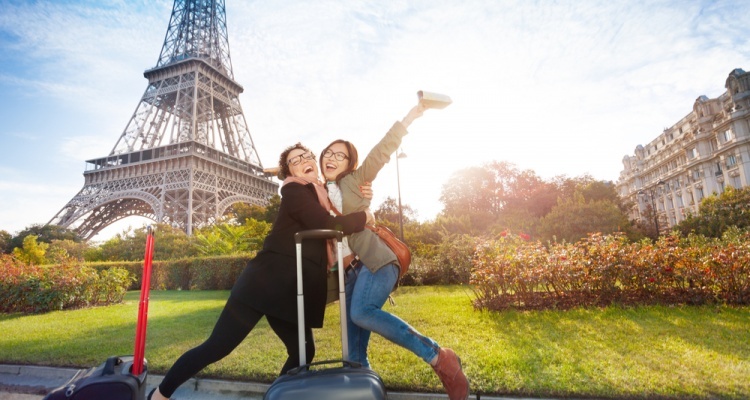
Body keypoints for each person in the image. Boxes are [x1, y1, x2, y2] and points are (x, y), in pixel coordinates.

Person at [148, 143, 373, 400]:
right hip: (263, 284)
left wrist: (363, 192)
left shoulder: (319, 193)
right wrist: (365, 217)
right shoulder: (295, 190)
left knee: (303, 352)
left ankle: (276, 397)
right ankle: (159, 396)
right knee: (217, 346)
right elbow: (326, 224)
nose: (304, 159)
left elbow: (340, 200)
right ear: (289, 171)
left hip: (288, 290)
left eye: (308, 155)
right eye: (295, 160)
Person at [319, 103, 470, 400]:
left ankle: (440, 357)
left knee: (362, 312)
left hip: (376, 261)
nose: (332, 157)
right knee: (353, 354)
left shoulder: (355, 181)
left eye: (341, 154)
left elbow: (382, 150)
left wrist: (412, 115)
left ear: (350, 163)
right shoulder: (318, 192)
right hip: (347, 275)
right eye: (328, 152)